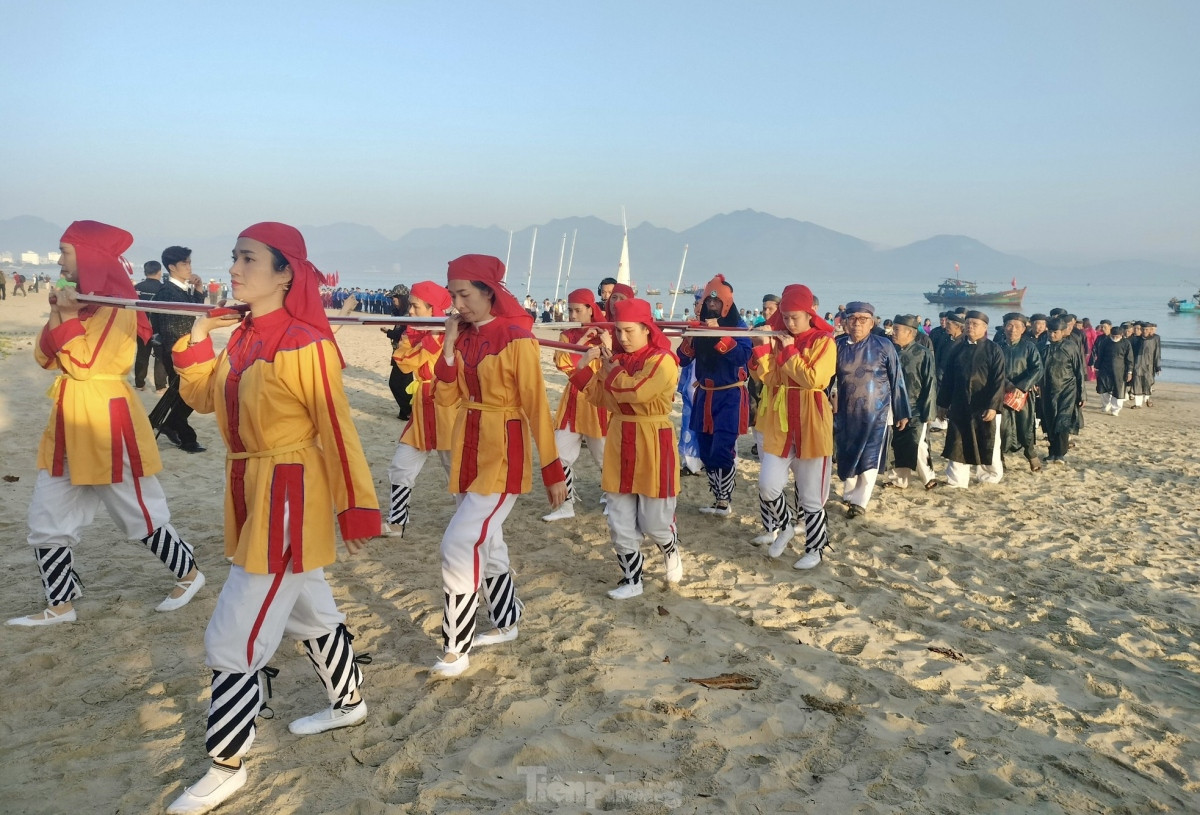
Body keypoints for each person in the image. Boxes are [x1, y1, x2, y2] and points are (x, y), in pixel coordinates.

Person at [167, 222, 379, 814]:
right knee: (310, 607)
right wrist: (198, 334)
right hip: (251, 482)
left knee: (234, 633)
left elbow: (338, 427)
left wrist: (356, 507)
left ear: (286, 272)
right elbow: (203, 398)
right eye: (234, 256)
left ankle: (226, 762)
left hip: (290, 490)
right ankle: (348, 701)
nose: (235, 268)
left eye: (249, 258)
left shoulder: (306, 342)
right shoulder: (241, 336)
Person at [8, 220, 203, 627]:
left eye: (65, 252)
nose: (59, 260)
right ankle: (60, 603)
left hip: (106, 418)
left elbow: (83, 363)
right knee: (47, 518)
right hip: (68, 418)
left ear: (90, 258)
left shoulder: (117, 308)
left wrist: (64, 314)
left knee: (139, 510)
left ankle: (189, 573)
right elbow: (44, 357)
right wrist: (61, 312)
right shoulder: (82, 301)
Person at [431, 255, 567, 678]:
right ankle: (508, 619)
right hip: (466, 444)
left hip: (502, 449)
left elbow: (536, 407)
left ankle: (456, 646)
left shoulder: (516, 337)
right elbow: (446, 397)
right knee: (487, 541)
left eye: (464, 294)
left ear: (489, 292)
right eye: (452, 295)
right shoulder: (466, 336)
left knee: (460, 543)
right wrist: (450, 344)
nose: (456, 303)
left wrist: (552, 469)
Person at [572, 298, 682, 597]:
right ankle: (632, 579)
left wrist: (610, 370)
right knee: (619, 518)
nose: (623, 337)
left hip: (652, 438)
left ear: (647, 329)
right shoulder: (615, 361)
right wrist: (583, 369)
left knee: (655, 521)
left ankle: (670, 547)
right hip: (620, 435)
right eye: (618, 331)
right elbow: (601, 397)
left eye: (629, 330)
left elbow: (636, 391)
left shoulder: (663, 360)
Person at [748, 285, 836, 567]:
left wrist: (787, 351)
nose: (789, 323)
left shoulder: (824, 341)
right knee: (768, 485)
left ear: (810, 314)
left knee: (811, 494)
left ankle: (815, 549)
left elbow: (814, 379)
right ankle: (785, 525)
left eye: (795, 317)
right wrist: (762, 347)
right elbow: (769, 378)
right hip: (780, 419)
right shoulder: (778, 337)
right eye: (785, 317)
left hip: (812, 418)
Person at [383, 281, 455, 537]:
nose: (410, 311)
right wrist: (432, 342)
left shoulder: (455, 332)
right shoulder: (412, 332)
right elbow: (402, 362)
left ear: (432, 307)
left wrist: (436, 339)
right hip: (422, 407)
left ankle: (468, 522)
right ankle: (396, 522)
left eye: (414, 305)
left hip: (449, 408)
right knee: (401, 466)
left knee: (456, 472)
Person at [677, 274, 752, 515]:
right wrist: (689, 337)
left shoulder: (739, 327)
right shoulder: (699, 326)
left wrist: (721, 334)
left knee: (722, 449)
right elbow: (684, 359)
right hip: (704, 394)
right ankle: (718, 496)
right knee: (706, 449)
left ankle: (724, 499)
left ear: (727, 303)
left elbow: (742, 358)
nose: (711, 306)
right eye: (708, 302)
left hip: (729, 395)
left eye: (716, 302)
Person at [833, 302, 911, 517]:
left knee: (870, 457)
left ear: (872, 322)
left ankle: (860, 502)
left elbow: (897, 379)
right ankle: (849, 494)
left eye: (863, 319)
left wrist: (902, 411)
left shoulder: (883, 345)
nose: (857, 323)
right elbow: (826, 380)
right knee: (847, 453)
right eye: (853, 319)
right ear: (845, 322)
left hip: (877, 412)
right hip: (847, 411)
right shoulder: (837, 345)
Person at [543, 288, 610, 522]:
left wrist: (602, 342)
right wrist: (580, 342)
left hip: (598, 400)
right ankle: (565, 504)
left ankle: (613, 499)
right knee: (559, 455)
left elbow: (613, 366)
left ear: (591, 309)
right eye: (570, 310)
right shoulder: (567, 336)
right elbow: (563, 365)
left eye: (577, 310)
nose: (572, 315)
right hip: (573, 399)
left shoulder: (607, 333)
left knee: (605, 457)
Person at [937, 310, 1006, 488]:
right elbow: (948, 379)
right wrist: (943, 404)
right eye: (968, 323)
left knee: (988, 441)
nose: (970, 326)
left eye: (975, 324)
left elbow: (999, 381)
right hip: (960, 404)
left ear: (985, 328)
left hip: (984, 405)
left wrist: (993, 406)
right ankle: (956, 481)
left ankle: (990, 477)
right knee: (957, 443)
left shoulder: (994, 350)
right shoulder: (957, 349)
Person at [152, 245, 207, 452]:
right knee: (191, 390)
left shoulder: (180, 289)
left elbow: (191, 310)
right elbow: (169, 328)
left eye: (190, 262)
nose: (189, 266)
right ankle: (184, 434)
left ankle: (171, 426)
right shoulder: (168, 292)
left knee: (184, 392)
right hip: (177, 350)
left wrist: (199, 291)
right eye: (185, 263)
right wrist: (185, 349)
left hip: (184, 347)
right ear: (171, 267)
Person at [889, 315, 938, 490]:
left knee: (916, 443)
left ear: (910, 332)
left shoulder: (923, 353)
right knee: (896, 443)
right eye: (893, 329)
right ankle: (899, 480)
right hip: (894, 406)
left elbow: (931, 383)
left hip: (916, 407)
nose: (892, 333)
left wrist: (929, 411)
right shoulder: (890, 350)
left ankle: (928, 477)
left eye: (896, 330)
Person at [996, 313, 1045, 472]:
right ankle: (999, 458)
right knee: (1001, 427)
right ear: (1004, 327)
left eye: (1017, 326)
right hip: (1001, 393)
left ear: (1024, 329)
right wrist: (1007, 384)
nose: (1013, 329)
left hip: (1022, 395)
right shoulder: (997, 347)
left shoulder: (1029, 347)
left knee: (1026, 425)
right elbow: (992, 370)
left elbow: (1038, 369)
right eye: (1009, 325)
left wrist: (1023, 386)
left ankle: (1031, 455)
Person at [1038, 317, 1084, 463]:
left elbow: (1079, 371)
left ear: (1063, 332)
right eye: (1050, 331)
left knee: (1062, 421)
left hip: (1067, 389)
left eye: (1055, 332)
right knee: (1049, 421)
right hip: (1047, 389)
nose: (1052, 335)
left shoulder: (1070, 347)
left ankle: (1060, 454)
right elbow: (1036, 368)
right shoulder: (1042, 346)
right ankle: (1052, 452)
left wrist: (1082, 394)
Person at [677, 290, 706, 477]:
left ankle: (701, 461)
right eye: (696, 303)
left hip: (706, 382)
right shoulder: (692, 324)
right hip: (691, 379)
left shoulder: (719, 327)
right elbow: (683, 357)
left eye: (700, 303)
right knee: (688, 421)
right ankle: (690, 462)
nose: (697, 307)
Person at [381, 283, 415, 420]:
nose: (392, 301)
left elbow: (403, 335)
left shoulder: (408, 315)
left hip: (405, 354)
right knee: (405, 384)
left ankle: (409, 411)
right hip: (399, 353)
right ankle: (405, 411)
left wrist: (388, 332)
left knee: (395, 384)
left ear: (401, 298)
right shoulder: (401, 313)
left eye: (394, 299)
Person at [134, 260, 168, 391]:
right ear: (159, 272)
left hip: (141, 326)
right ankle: (160, 386)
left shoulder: (137, 288)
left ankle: (139, 383)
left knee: (142, 354)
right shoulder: (163, 288)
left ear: (145, 272)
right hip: (158, 327)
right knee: (160, 357)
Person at [1092, 323, 1134, 415]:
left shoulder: (1126, 343)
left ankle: (1115, 409)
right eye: (1113, 336)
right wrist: (1097, 368)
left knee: (1118, 391)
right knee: (1103, 389)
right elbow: (1100, 355)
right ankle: (1105, 405)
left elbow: (1129, 359)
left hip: (1120, 371)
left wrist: (1129, 372)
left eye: (1117, 336)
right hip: (1105, 369)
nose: (1115, 338)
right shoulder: (1105, 342)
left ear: (1121, 335)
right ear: (1111, 334)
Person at [1129, 321, 1160, 408]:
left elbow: (1157, 354)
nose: (1145, 331)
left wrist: (1157, 366)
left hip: (1149, 365)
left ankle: (1147, 399)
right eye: (1143, 329)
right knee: (1137, 383)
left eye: (1147, 329)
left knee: (1148, 383)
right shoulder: (1136, 339)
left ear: (1150, 330)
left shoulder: (1154, 339)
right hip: (1137, 365)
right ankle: (1138, 404)